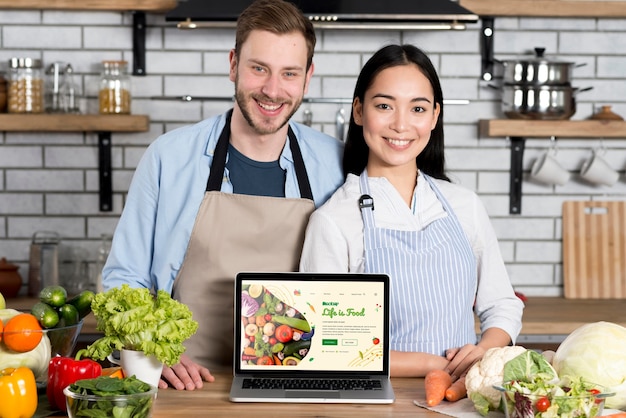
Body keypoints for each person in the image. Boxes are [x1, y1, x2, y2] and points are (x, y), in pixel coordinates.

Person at [102, 0, 344, 390]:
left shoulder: (335, 164)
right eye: (258, 68)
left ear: (307, 77)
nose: (272, 89)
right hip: (185, 381)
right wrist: (151, 348)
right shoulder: (169, 157)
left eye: (289, 73)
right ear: (233, 64)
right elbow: (123, 278)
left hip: (296, 382)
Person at [299, 44, 523, 381]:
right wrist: (436, 366)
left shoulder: (465, 206)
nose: (401, 125)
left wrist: (485, 349)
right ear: (359, 111)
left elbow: (502, 304)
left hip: (461, 396)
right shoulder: (333, 220)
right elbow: (324, 343)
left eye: (417, 108)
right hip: (374, 399)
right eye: (385, 106)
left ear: (434, 116)